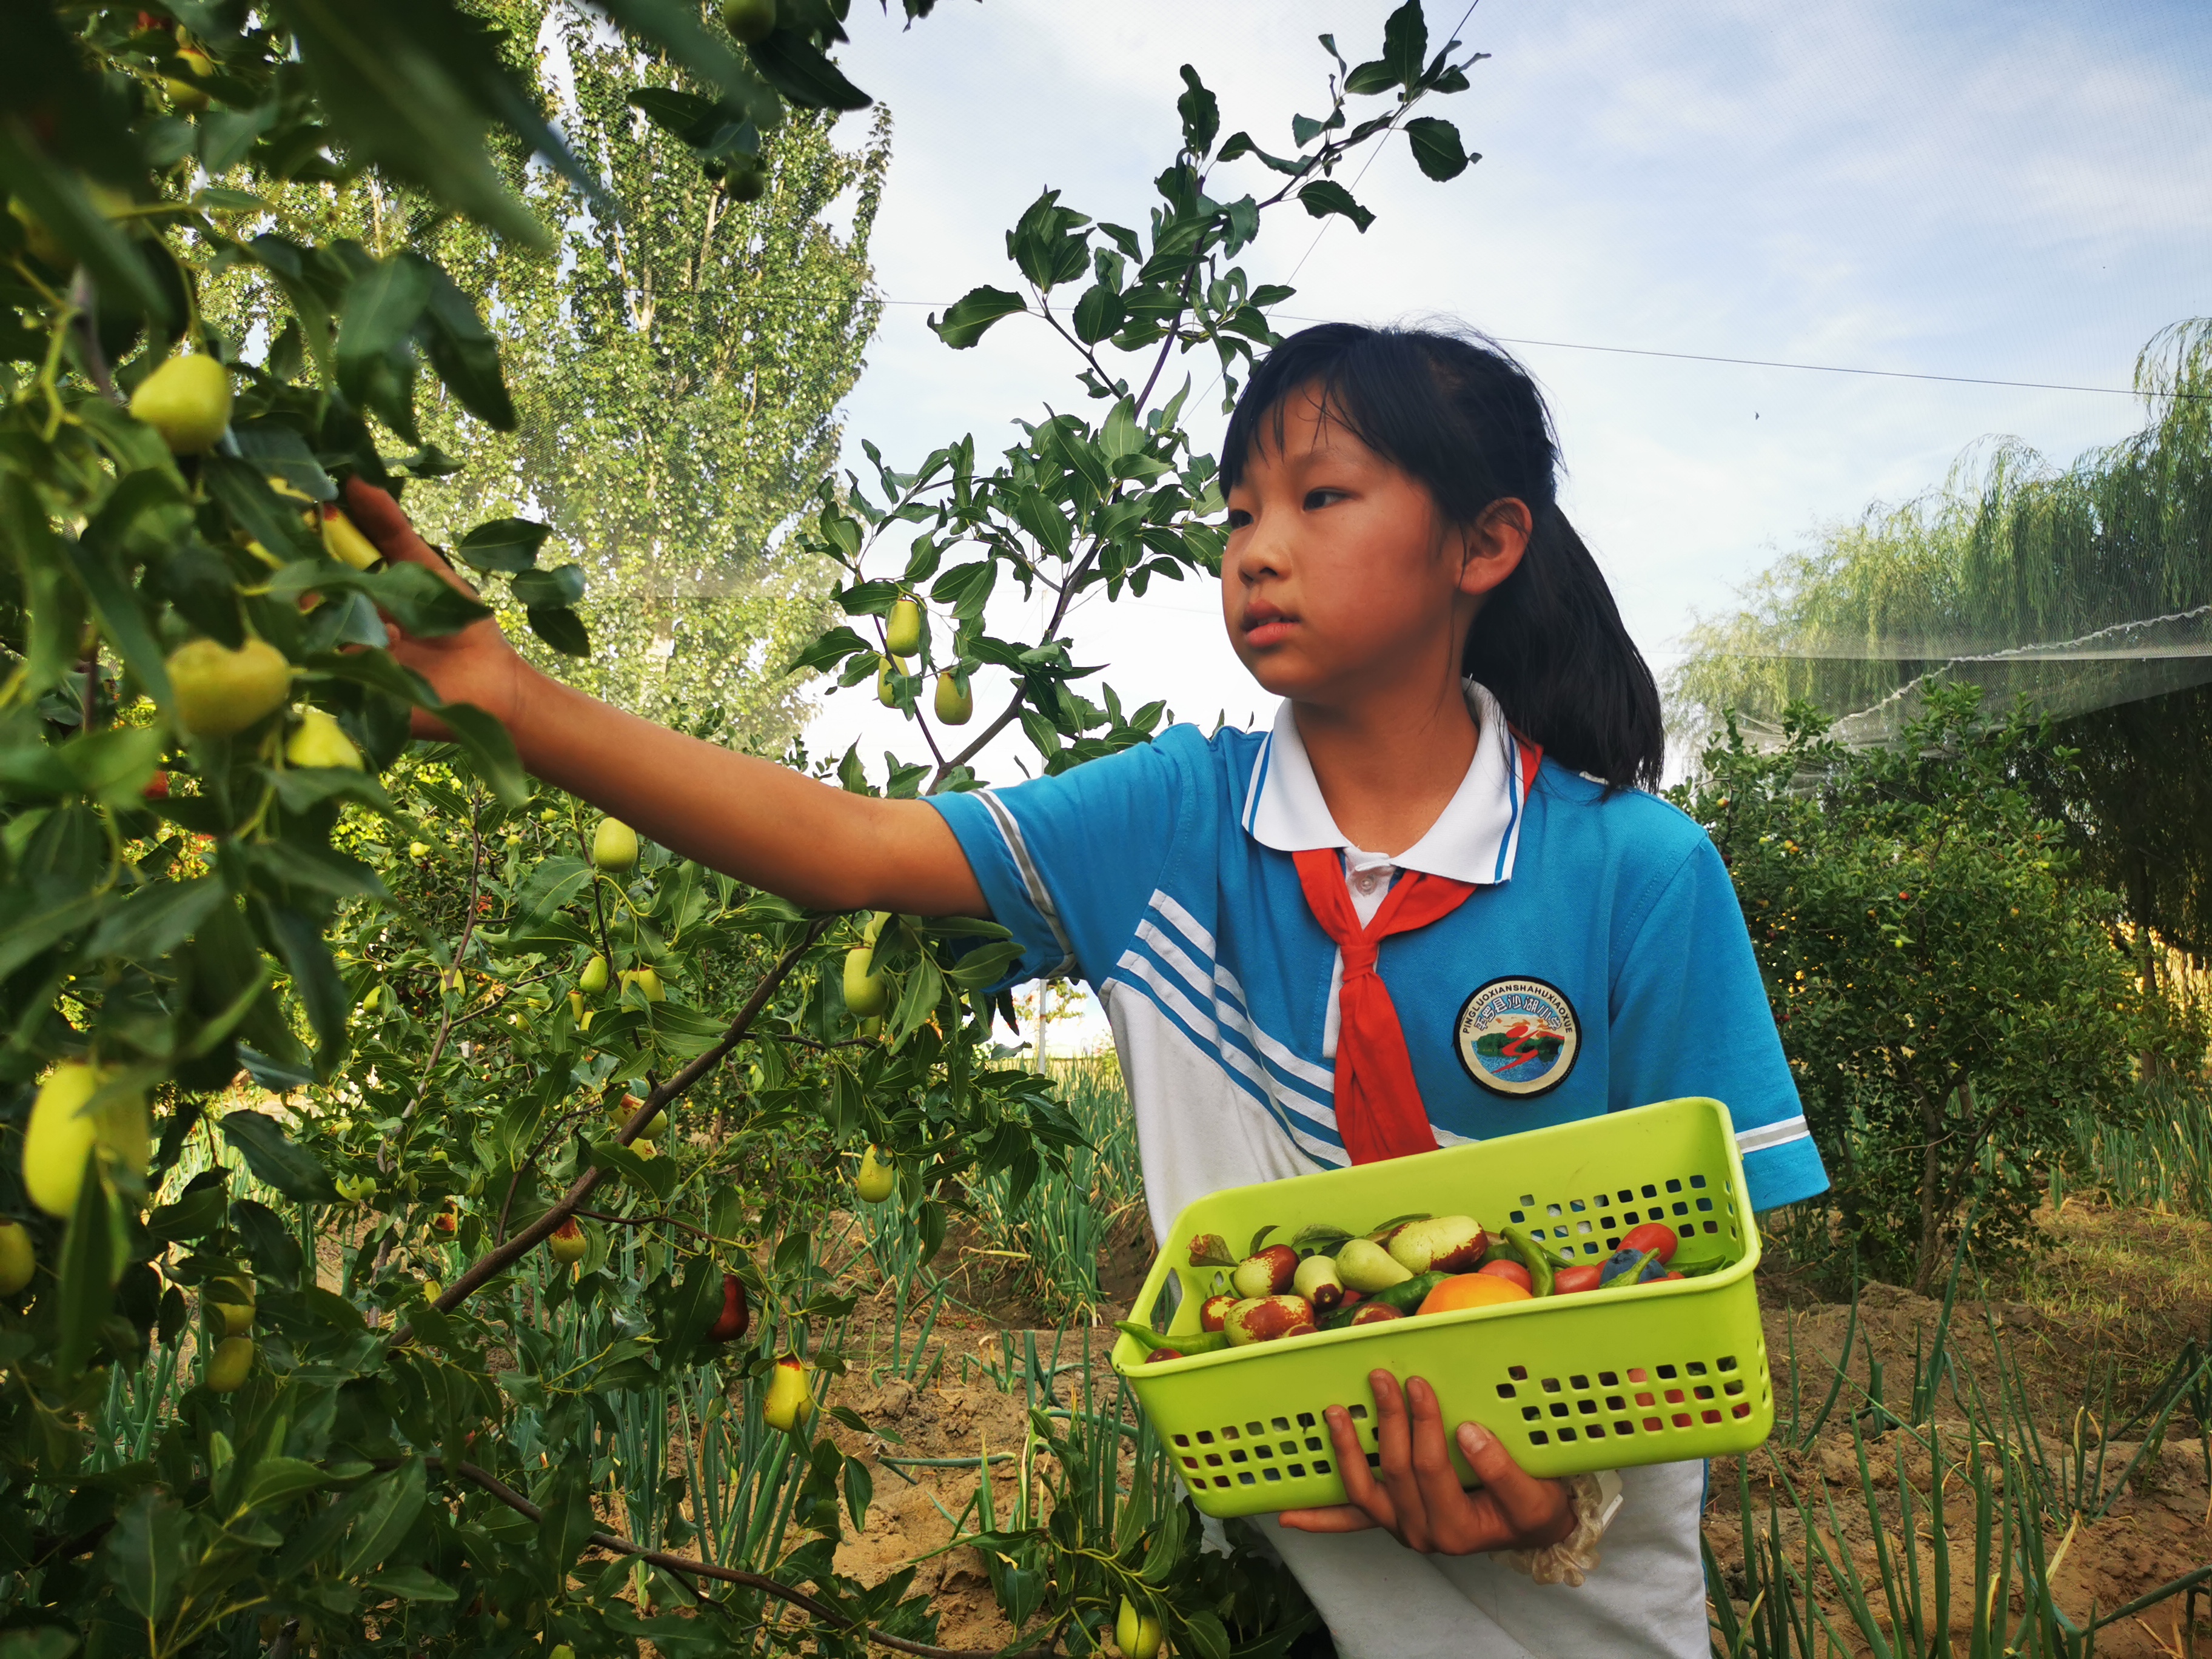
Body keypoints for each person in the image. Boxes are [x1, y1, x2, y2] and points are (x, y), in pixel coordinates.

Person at [344, 321, 1828, 1659]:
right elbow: (850, 848)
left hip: (1578, 1622)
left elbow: (1683, 1291)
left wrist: (1549, 1504)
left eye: (1321, 498)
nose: (1255, 548)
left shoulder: (1639, 873)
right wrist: (511, 701)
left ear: (1484, 543)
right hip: (1270, 1595)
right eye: (1240, 511)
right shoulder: (1174, 825)